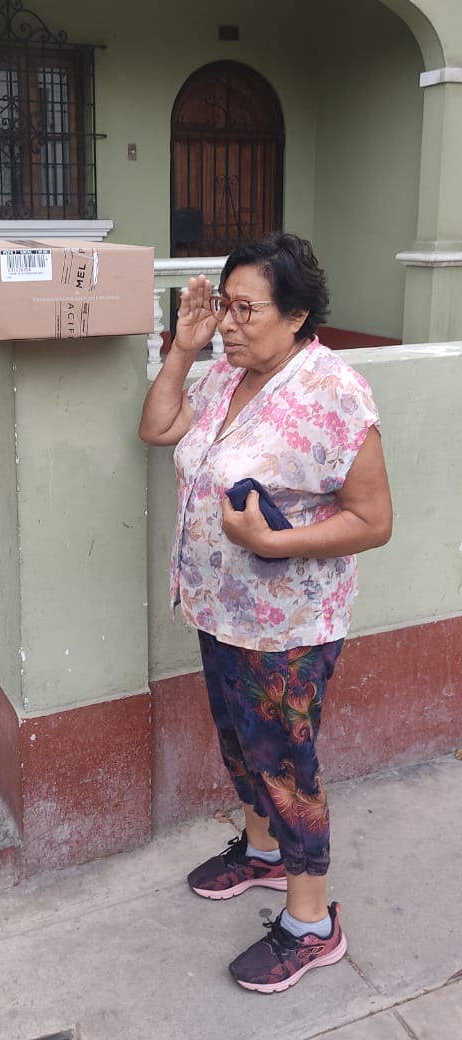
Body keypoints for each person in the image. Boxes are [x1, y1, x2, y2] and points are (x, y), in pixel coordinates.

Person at [139, 233, 393, 995]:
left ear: (297, 315)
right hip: (219, 609)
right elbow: (158, 429)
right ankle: (262, 853)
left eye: (245, 310)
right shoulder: (224, 373)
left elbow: (374, 519)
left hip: (288, 629)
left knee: (286, 766)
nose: (228, 323)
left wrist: (273, 543)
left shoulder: (333, 393)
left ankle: (313, 925)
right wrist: (185, 349)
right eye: (224, 306)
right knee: (241, 746)